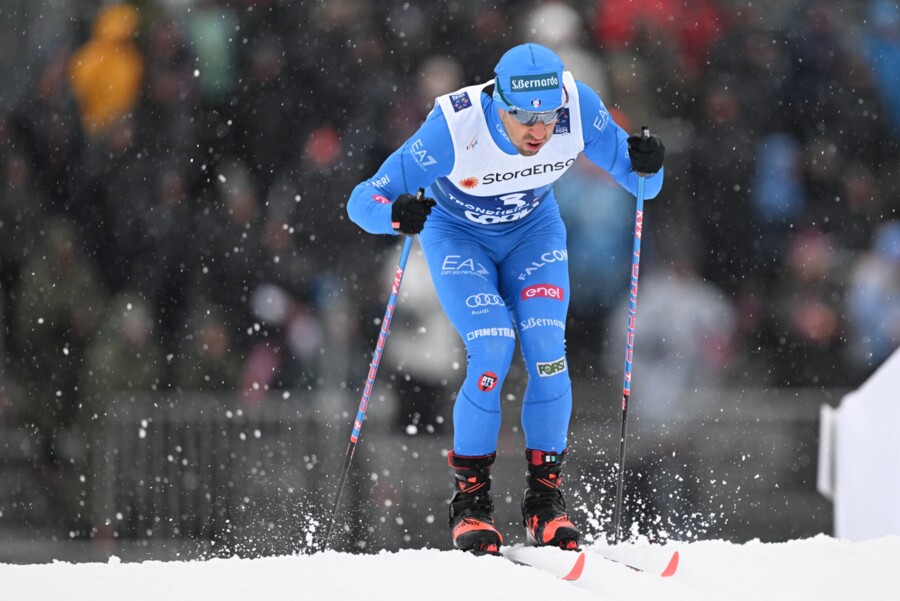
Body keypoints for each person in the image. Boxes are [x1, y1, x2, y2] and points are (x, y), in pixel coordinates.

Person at [346, 43, 665, 554]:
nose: (540, 131)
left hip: (532, 236)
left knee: (548, 353)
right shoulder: (455, 124)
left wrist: (650, 163)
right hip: (458, 238)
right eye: (524, 119)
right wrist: (396, 214)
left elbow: (643, 185)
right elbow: (362, 200)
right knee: (492, 348)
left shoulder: (578, 106)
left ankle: (545, 503)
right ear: (499, 104)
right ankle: (471, 505)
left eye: (549, 117)